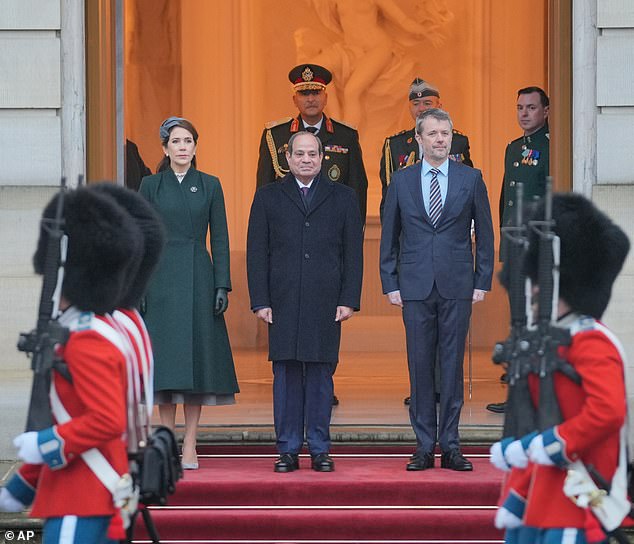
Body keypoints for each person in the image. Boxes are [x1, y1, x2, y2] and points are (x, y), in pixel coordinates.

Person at [0, 187, 144, 543]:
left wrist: (46, 443)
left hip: (83, 495)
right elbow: (70, 414)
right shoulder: (91, 329)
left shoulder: (87, 338)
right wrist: (23, 484)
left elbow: (106, 419)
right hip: (82, 489)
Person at [490, 193, 630, 543]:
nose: (533, 289)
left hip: (577, 497)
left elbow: (607, 412)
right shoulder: (548, 337)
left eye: (540, 282)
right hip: (538, 495)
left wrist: (554, 444)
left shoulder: (591, 340)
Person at [380, 108, 494, 471]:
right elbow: (390, 236)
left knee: (452, 366)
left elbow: (487, 236)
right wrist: (389, 281)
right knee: (419, 367)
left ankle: (453, 445)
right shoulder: (401, 180)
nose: (440, 139)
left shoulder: (470, 178)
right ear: (419, 139)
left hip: (457, 284)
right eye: (433, 134)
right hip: (413, 286)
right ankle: (424, 445)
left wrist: (482, 280)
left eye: (445, 133)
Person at [247, 131, 363, 473]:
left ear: (322, 157)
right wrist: (260, 300)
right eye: (300, 154)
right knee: (284, 374)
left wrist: (349, 299)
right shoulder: (268, 197)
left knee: (320, 376)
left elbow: (352, 254)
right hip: (281, 300)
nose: (306, 159)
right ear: (288, 158)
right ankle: (287, 449)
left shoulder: (343, 198)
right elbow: (257, 253)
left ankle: (319, 448)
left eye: (313, 153)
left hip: (326, 301)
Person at [139, 117, 239, 470]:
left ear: (195, 148)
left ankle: (191, 444)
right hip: (160, 278)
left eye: (188, 141)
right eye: (176, 141)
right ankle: (165, 443)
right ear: (165, 148)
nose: (183, 147)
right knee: (166, 368)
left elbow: (222, 239)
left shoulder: (209, 185)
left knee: (196, 366)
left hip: (199, 274)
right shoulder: (150, 185)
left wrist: (222, 284)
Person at [487, 86, 550, 415]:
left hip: (537, 248)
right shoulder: (514, 148)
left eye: (531, 107)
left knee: (535, 323)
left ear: (546, 111)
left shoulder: (552, 146)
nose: (524, 113)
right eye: (520, 108)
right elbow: (505, 202)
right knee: (519, 320)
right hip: (515, 245)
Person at [256, 63, 368, 224]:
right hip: (286, 230)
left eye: (316, 92)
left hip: (331, 231)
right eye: (304, 93)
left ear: (326, 98)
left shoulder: (345, 136)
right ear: (295, 99)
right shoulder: (276, 136)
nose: (310, 99)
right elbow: (264, 190)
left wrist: (354, 233)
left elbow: (357, 189)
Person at [379, 78, 473, 222]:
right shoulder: (395, 145)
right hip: (409, 233)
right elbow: (389, 200)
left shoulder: (457, 142)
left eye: (427, 103)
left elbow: (467, 192)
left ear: (439, 106)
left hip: (449, 229)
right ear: (409, 107)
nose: (421, 108)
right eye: (416, 104)